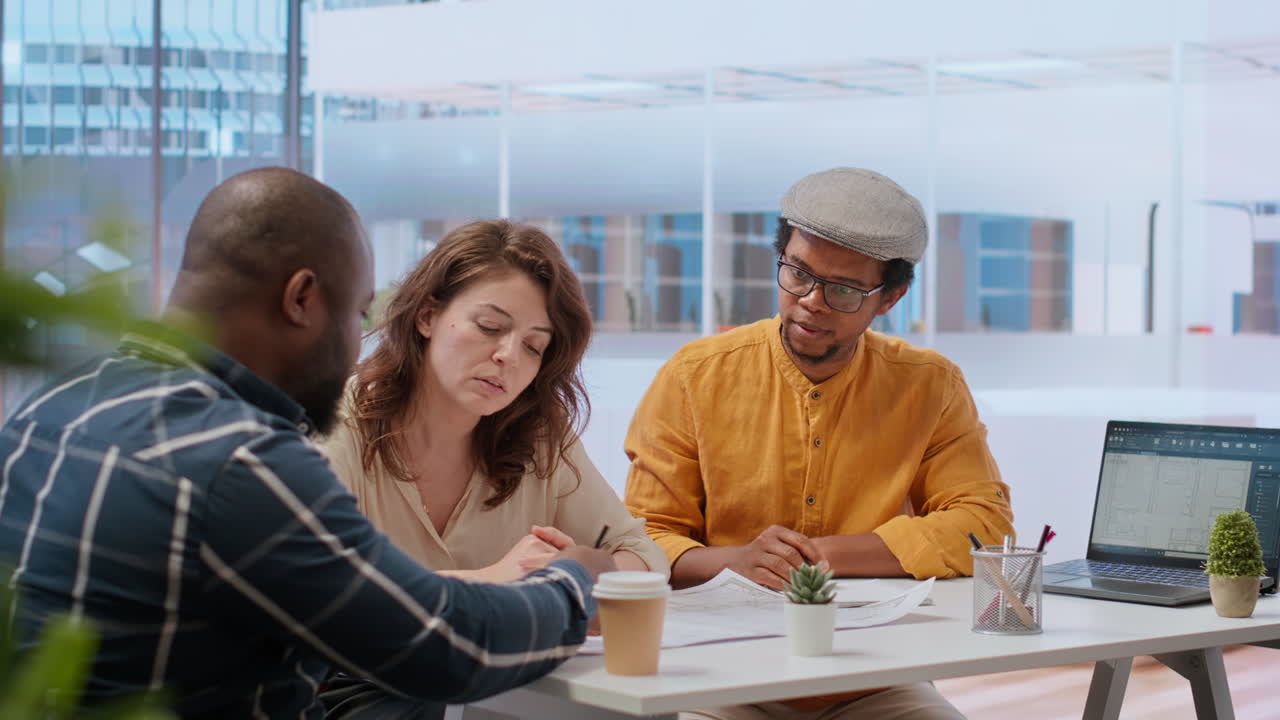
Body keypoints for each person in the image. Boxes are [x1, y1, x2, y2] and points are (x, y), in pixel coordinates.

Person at [0, 167, 612, 720]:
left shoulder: (55, 402)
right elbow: (447, 647)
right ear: (301, 299)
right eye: (355, 315)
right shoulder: (237, 459)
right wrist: (569, 582)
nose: (358, 344)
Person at [624, 167, 1014, 719]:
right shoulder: (694, 376)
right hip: (722, 679)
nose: (811, 301)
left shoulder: (930, 385)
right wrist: (738, 561)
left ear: (891, 297)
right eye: (797, 274)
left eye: (844, 290)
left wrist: (822, 558)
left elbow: (984, 523)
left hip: (874, 679)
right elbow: (641, 539)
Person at [318, 219, 665, 582]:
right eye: (489, 327)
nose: (509, 356)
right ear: (427, 317)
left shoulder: (540, 436)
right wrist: (498, 578)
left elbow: (643, 553)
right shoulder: (338, 421)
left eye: (534, 347)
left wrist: (586, 573)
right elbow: (320, 586)